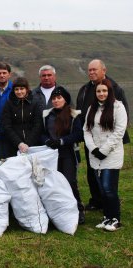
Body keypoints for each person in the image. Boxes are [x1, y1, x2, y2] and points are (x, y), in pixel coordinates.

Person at [76, 59, 130, 211]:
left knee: (109, 174)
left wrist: (109, 145)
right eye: (90, 70)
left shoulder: (115, 88)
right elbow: (82, 112)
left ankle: (110, 202)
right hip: (91, 140)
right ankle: (96, 200)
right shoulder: (85, 89)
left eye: (95, 70)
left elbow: (123, 118)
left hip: (109, 141)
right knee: (92, 171)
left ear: (104, 70)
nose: (91, 72)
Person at [83, 79, 127, 231]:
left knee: (109, 188)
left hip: (111, 154)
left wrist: (104, 150)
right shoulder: (92, 108)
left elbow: (119, 131)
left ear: (109, 92)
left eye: (104, 91)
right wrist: (93, 149)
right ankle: (107, 217)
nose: (101, 94)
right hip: (95, 154)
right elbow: (86, 130)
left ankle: (115, 219)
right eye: (98, 91)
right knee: (102, 188)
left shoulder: (118, 107)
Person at [42, 87, 85, 224]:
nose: (56, 100)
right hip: (51, 155)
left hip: (68, 153)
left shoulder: (74, 115)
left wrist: (62, 141)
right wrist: (47, 141)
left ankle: (78, 210)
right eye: (53, 98)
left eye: (59, 98)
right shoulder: (47, 115)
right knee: (54, 184)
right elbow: (41, 133)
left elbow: (79, 134)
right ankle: (59, 211)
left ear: (65, 99)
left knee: (70, 182)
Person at [2, 77, 43, 157]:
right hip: (14, 145)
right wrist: (19, 143)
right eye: (16, 89)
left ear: (27, 89)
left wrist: (28, 143)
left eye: (22, 89)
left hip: (32, 145)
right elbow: (7, 126)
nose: (19, 92)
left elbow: (38, 124)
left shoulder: (35, 103)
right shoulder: (9, 104)